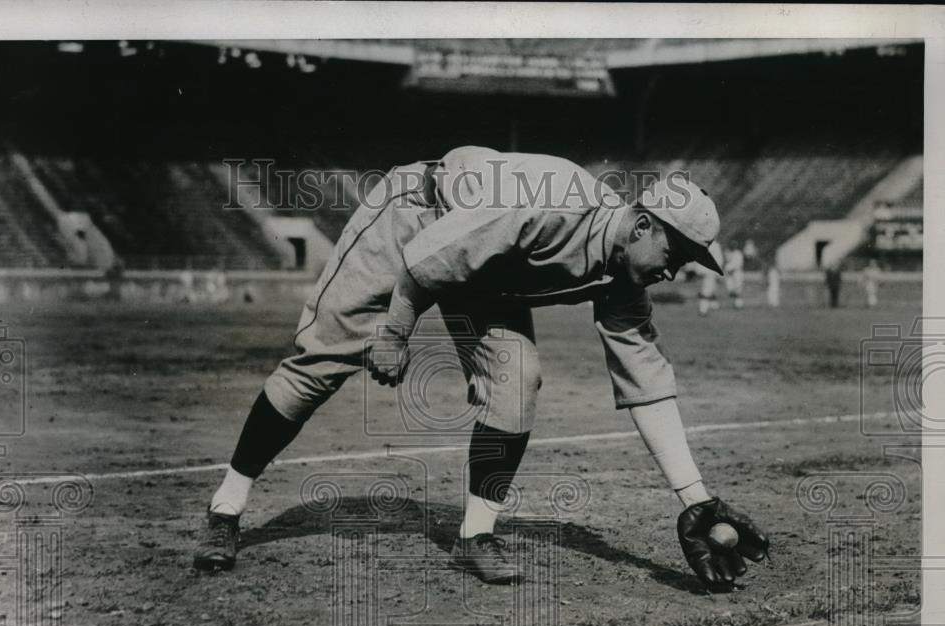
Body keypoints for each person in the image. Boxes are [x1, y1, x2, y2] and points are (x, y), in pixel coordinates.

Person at [192, 146, 769, 589]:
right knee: (320, 363)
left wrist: (694, 498)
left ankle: (475, 536)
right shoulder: (554, 203)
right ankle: (227, 507)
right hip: (416, 219)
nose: (675, 271)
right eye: (676, 253)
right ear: (643, 226)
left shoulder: (626, 279)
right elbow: (426, 260)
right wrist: (394, 332)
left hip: (483, 266)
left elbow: (648, 386)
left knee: (516, 380)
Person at [697, 242, 723, 316]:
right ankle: (703, 310)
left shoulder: (704, 243)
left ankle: (711, 306)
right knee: (707, 290)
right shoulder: (714, 245)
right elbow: (719, 259)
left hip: (707, 271)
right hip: (709, 271)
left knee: (710, 289)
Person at [723, 239, 745, 309]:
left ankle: (738, 304)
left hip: (737, 272)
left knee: (738, 288)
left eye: (734, 245)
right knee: (730, 288)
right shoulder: (727, 253)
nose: (733, 246)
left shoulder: (738, 253)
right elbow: (726, 262)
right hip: (729, 273)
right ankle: (735, 302)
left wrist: (731, 268)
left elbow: (738, 264)